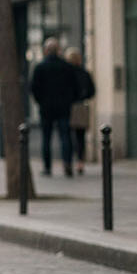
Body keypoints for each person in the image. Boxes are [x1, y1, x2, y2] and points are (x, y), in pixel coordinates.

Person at [27, 38, 77, 177]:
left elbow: (33, 88)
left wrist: (40, 101)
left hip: (46, 107)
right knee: (65, 136)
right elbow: (75, 87)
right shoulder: (67, 67)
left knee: (46, 137)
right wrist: (69, 100)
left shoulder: (40, 67)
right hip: (63, 107)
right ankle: (67, 163)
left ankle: (47, 166)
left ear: (46, 50)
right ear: (58, 50)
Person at [65, 48, 95, 165]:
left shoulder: (65, 74)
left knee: (67, 134)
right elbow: (92, 91)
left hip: (68, 107)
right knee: (80, 136)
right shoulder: (84, 73)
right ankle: (80, 161)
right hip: (81, 106)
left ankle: (68, 161)